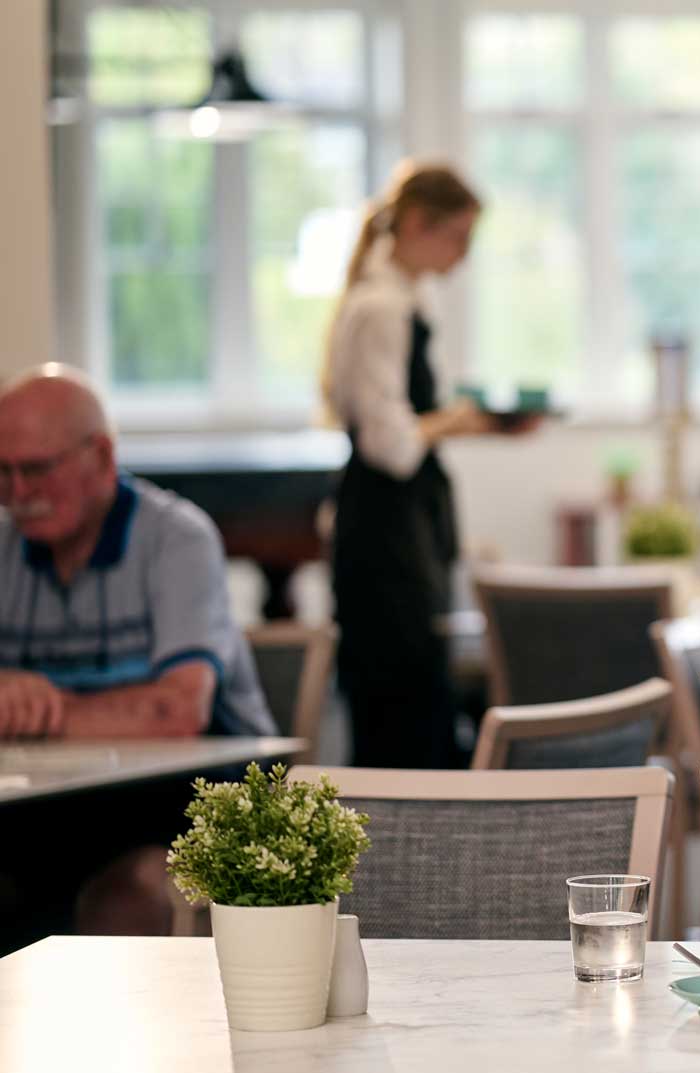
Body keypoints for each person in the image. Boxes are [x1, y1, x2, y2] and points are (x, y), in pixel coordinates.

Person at [0, 365, 273, 946]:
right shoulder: (5, 547)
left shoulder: (177, 538)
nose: (18, 494)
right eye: (3, 472)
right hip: (52, 813)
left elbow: (178, 714)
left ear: (101, 457)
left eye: (37, 469)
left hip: (190, 810)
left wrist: (38, 711)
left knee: (128, 894)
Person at [322, 161, 523, 769]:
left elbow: (409, 423)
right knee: (399, 703)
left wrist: (487, 426)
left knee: (413, 695)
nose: (463, 255)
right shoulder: (380, 308)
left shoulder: (404, 300)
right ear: (416, 224)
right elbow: (392, 444)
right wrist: (461, 419)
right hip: (385, 533)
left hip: (399, 521)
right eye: (457, 236)